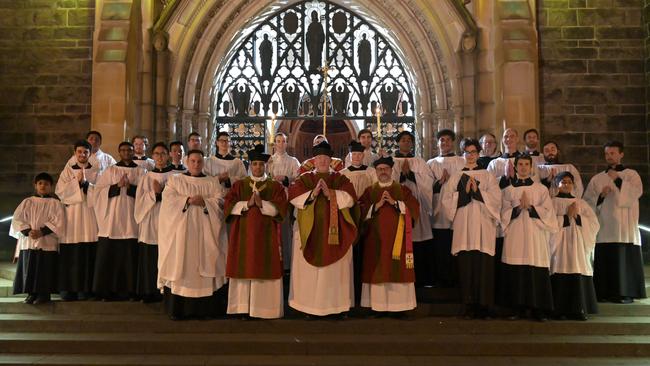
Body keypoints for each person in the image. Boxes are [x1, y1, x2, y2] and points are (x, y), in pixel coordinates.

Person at [288, 140, 358, 317]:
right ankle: (307, 307)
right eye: (319, 158)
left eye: (325, 158)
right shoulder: (305, 179)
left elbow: (350, 198)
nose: (322, 161)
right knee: (310, 274)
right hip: (310, 233)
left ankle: (336, 307)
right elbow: (294, 197)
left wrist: (330, 194)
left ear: (330, 160)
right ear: (314, 160)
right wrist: (313, 194)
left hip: (334, 233)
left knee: (335, 271)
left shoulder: (339, 178)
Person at [158, 150, 229, 320]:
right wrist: (187, 200)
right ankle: (179, 310)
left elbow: (220, 203)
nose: (196, 164)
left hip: (206, 234)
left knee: (207, 263)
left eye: (199, 161)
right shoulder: (176, 181)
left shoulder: (212, 182)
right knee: (181, 265)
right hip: (181, 234)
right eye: (193, 161)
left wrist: (205, 202)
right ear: (187, 162)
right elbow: (168, 201)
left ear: (203, 163)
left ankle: (205, 310)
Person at [224, 145, 288, 319]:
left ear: (266, 166)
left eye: (261, 164)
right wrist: (246, 204)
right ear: (250, 166)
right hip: (243, 235)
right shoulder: (239, 185)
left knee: (265, 267)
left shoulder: (275, 186)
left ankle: (264, 310)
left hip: (267, 236)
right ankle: (243, 308)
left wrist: (262, 204)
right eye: (255, 164)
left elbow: (282, 208)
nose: (258, 167)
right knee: (244, 267)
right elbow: (228, 205)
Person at [441, 138, 501, 319]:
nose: (470, 156)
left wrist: (478, 192)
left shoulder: (488, 175)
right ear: (463, 154)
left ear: (479, 153)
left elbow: (497, 200)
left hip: (484, 227)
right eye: (467, 152)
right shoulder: (456, 176)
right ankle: (468, 305)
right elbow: (446, 201)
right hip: (464, 228)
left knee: (484, 268)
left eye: (474, 152)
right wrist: (464, 193)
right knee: (466, 268)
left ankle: (485, 306)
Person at [584, 141, 645, 304]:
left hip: (625, 227)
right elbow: (587, 202)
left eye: (612, 153)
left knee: (623, 260)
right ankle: (604, 293)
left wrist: (618, 180)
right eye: (606, 154)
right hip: (605, 226)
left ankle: (625, 293)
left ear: (621, 154)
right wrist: (601, 197)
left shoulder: (631, 175)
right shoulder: (597, 178)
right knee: (606, 259)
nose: (609, 156)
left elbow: (635, 193)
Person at [499, 155, 557, 321]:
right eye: (520, 164)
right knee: (516, 271)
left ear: (531, 167)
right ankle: (517, 309)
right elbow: (502, 213)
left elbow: (549, 213)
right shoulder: (508, 190)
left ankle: (538, 309)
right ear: (515, 167)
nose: (523, 167)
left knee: (535, 270)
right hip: (515, 235)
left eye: (526, 164)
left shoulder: (541, 189)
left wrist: (531, 208)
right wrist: (517, 209)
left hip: (535, 236)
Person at [359, 156, 419, 315]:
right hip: (375, 239)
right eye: (380, 169)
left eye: (386, 169)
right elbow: (360, 212)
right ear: (376, 172)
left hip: (398, 241)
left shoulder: (402, 189)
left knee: (397, 270)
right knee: (378, 268)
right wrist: (376, 206)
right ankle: (378, 307)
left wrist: (394, 202)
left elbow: (414, 208)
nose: (383, 172)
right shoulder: (369, 191)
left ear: (392, 170)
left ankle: (400, 307)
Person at [91, 141, 146, 301]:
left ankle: (130, 292)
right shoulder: (110, 170)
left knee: (130, 258)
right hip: (112, 221)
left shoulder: (141, 171)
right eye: (123, 150)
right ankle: (107, 291)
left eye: (129, 150)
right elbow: (98, 193)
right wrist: (116, 186)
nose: (126, 153)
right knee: (110, 258)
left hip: (132, 220)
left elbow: (146, 195)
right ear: (119, 152)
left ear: (133, 151)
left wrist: (130, 188)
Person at [549, 172, 600, 320]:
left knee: (577, 270)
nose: (566, 184)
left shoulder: (581, 203)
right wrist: (566, 217)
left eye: (569, 182)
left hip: (578, 243)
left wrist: (578, 217)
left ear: (573, 184)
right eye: (563, 181)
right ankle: (559, 311)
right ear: (556, 184)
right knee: (560, 269)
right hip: (559, 245)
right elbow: (548, 221)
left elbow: (594, 223)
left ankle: (578, 309)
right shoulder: (552, 202)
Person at [55, 140, 100, 301]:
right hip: (71, 218)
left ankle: (85, 290)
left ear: (90, 154)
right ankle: (68, 289)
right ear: (75, 153)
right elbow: (60, 192)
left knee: (87, 254)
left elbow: (100, 195)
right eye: (79, 152)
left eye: (85, 152)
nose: (82, 155)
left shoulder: (96, 171)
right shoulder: (67, 172)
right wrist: (76, 183)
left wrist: (86, 183)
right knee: (70, 255)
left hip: (89, 218)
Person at [11, 172, 64, 304]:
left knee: (44, 268)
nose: (43, 186)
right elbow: (17, 219)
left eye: (46, 184)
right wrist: (28, 231)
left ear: (51, 186)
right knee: (30, 268)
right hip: (29, 241)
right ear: (35, 185)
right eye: (40, 183)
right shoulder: (27, 202)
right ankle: (31, 293)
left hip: (47, 241)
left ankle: (44, 294)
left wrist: (42, 232)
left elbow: (59, 221)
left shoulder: (55, 203)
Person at [134, 142, 175, 302]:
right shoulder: (147, 177)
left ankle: (166, 291)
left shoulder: (175, 177)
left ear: (168, 156)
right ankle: (149, 291)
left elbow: (178, 200)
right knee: (150, 256)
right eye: (156, 154)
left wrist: (162, 192)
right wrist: (155, 195)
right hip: (150, 220)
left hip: (168, 222)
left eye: (163, 153)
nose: (159, 157)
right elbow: (139, 201)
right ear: (152, 156)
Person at [392, 131, 434, 287]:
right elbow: (386, 180)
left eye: (409, 140)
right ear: (397, 142)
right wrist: (401, 177)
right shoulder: (391, 160)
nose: (406, 142)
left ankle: (421, 278)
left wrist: (410, 175)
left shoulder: (419, 161)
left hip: (417, 202)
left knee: (417, 239)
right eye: (403, 140)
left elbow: (428, 181)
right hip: (398, 202)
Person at [427, 129, 464, 288]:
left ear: (453, 142)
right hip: (438, 211)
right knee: (440, 245)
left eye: (448, 140)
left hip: (457, 210)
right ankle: (441, 278)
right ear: (437, 143)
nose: (445, 143)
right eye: (442, 140)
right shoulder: (431, 163)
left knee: (456, 245)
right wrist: (439, 183)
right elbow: (426, 188)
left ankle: (456, 278)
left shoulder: (461, 161)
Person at [267, 132, 300, 271]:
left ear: (287, 143)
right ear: (274, 144)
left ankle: (286, 264)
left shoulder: (293, 161)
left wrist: (286, 179)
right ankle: (273, 260)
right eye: (278, 141)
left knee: (286, 231)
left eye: (283, 141)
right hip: (272, 200)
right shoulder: (269, 161)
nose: (280, 144)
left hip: (286, 199)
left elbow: (298, 179)